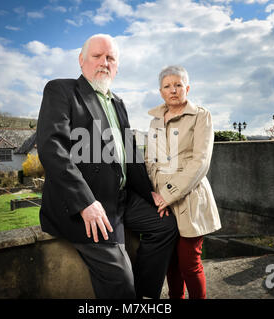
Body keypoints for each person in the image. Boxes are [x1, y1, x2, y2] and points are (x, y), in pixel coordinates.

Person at [36, 34, 178, 299]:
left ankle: (146, 296)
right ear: (81, 61)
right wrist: (85, 202)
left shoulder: (118, 103)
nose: (104, 62)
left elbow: (131, 156)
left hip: (121, 200)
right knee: (121, 280)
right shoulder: (61, 90)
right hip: (84, 205)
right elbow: (52, 148)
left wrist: (151, 194)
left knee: (166, 226)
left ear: (117, 66)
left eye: (110, 58)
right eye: (97, 56)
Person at [145, 65, 221, 299]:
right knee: (170, 264)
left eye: (178, 85)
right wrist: (154, 194)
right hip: (161, 202)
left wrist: (167, 194)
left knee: (189, 263)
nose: (173, 90)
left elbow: (200, 162)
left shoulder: (201, 116)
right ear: (161, 92)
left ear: (187, 88)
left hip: (189, 199)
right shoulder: (155, 120)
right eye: (167, 86)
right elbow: (149, 160)